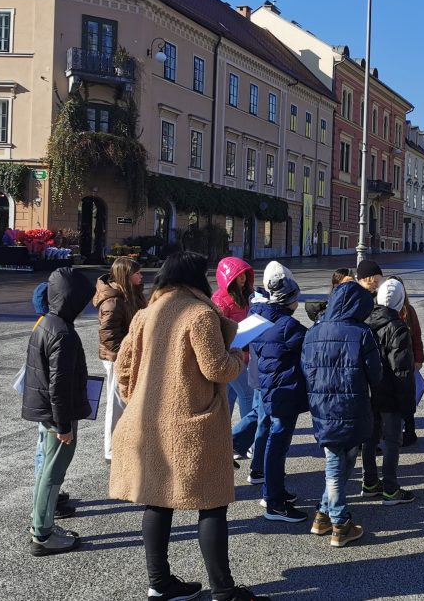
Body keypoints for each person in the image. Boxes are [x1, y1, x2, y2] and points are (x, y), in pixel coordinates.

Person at [109, 252, 269, 601]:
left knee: (156, 501)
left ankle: (160, 583)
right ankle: (223, 591)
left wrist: (139, 398)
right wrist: (238, 358)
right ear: (198, 279)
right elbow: (216, 369)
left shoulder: (145, 314)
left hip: (148, 422)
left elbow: (122, 370)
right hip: (193, 423)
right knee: (211, 504)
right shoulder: (199, 314)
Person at [301, 281, 382, 547]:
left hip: (323, 406)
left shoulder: (313, 332)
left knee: (343, 462)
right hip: (353, 405)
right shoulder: (361, 332)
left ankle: (323, 515)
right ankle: (340, 522)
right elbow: (375, 374)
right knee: (337, 466)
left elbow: (305, 368)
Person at [22, 267, 94, 556]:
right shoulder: (62, 333)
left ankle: (41, 523)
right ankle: (43, 533)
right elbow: (60, 386)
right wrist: (64, 424)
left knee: (46, 471)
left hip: (45, 411)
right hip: (57, 415)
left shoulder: (46, 323)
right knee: (53, 474)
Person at [249, 262, 309, 523]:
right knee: (278, 444)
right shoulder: (288, 326)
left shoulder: (257, 317)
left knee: (274, 440)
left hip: (269, 387)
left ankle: (274, 491)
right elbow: (312, 343)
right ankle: (274, 501)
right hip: (284, 391)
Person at [361, 278, 417, 505]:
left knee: (370, 438)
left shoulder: (365, 320)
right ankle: (391, 489)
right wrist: (408, 404)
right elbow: (401, 370)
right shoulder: (398, 327)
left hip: (370, 390)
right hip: (390, 393)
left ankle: (370, 482)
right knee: (392, 441)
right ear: (400, 300)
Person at [93, 256, 146, 461]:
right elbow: (108, 335)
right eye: (137, 273)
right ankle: (111, 450)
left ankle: (128, 444)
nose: (141, 276)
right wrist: (124, 356)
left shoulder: (133, 294)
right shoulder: (113, 301)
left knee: (129, 401)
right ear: (126, 275)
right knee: (116, 403)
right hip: (117, 358)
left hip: (131, 355)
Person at [213, 257, 258, 460]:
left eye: (244, 275)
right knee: (247, 395)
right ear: (228, 278)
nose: (242, 279)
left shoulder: (246, 295)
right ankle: (247, 441)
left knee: (229, 397)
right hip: (231, 354)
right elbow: (219, 331)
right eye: (238, 276)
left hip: (243, 351)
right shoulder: (220, 301)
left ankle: (223, 441)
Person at [389, 275, 424, 446]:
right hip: (391, 362)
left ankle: (410, 431)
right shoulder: (383, 311)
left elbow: (416, 336)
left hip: (408, 361)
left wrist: (418, 358)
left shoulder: (409, 311)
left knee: (408, 397)